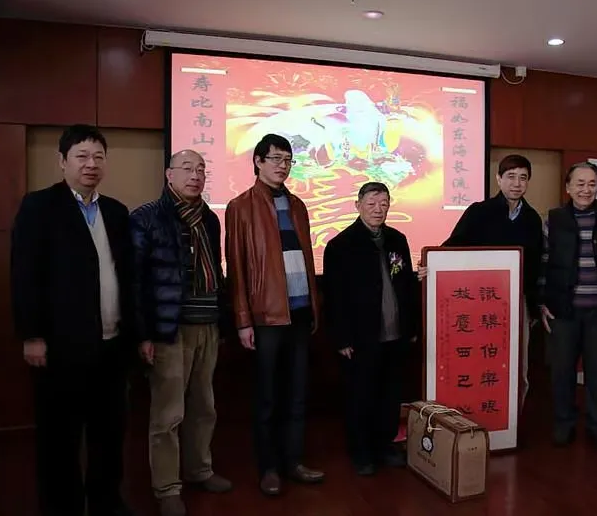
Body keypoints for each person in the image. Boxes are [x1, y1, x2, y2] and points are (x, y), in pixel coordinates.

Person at [9, 125, 135, 516]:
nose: (91, 164)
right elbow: (24, 275)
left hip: (111, 346)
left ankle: (106, 503)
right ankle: (62, 507)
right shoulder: (39, 207)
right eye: (81, 156)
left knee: (109, 436)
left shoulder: (116, 211)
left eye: (98, 156)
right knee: (59, 439)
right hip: (61, 347)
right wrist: (32, 335)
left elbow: (127, 276)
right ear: (62, 161)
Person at [130, 150, 233, 516]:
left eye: (201, 169)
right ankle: (167, 488)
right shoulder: (147, 217)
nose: (195, 175)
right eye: (187, 168)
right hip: (169, 330)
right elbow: (135, 281)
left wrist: (223, 320)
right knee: (168, 414)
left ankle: (199, 470)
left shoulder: (209, 218)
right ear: (168, 174)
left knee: (204, 407)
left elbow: (215, 271)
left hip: (208, 325)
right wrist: (143, 334)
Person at [224, 133, 324, 496]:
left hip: (299, 313)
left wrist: (314, 306)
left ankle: (293, 461)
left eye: (288, 160)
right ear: (258, 161)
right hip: (266, 316)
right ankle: (268, 468)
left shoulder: (297, 205)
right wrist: (242, 319)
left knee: (297, 395)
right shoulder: (241, 206)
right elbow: (236, 266)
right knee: (266, 397)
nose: (283, 166)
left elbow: (306, 258)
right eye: (276, 158)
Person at [322, 182, 419, 476]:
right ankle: (361, 452)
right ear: (358, 205)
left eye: (384, 204)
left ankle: (385, 446)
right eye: (372, 203)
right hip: (361, 337)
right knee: (361, 397)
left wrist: (412, 326)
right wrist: (341, 338)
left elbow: (406, 284)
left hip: (395, 334)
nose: (378, 209)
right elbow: (334, 297)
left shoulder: (397, 239)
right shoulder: (340, 245)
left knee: (390, 395)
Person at [538, 162, 597, 450]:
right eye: (580, 183)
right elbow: (543, 263)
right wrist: (541, 302)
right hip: (563, 310)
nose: (586, 190)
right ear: (568, 187)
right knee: (562, 372)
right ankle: (564, 424)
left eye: (592, 184)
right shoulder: (554, 219)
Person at [441, 154, 543, 408]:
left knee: (517, 368)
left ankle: (512, 421)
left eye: (523, 178)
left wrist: (533, 307)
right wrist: (429, 265)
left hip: (517, 302)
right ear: (498, 178)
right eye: (511, 176)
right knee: (482, 362)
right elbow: (452, 247)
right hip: (480, 302)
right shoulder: (479, 212)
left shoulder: (532, 218)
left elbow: (536, 265)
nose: (517, 183)